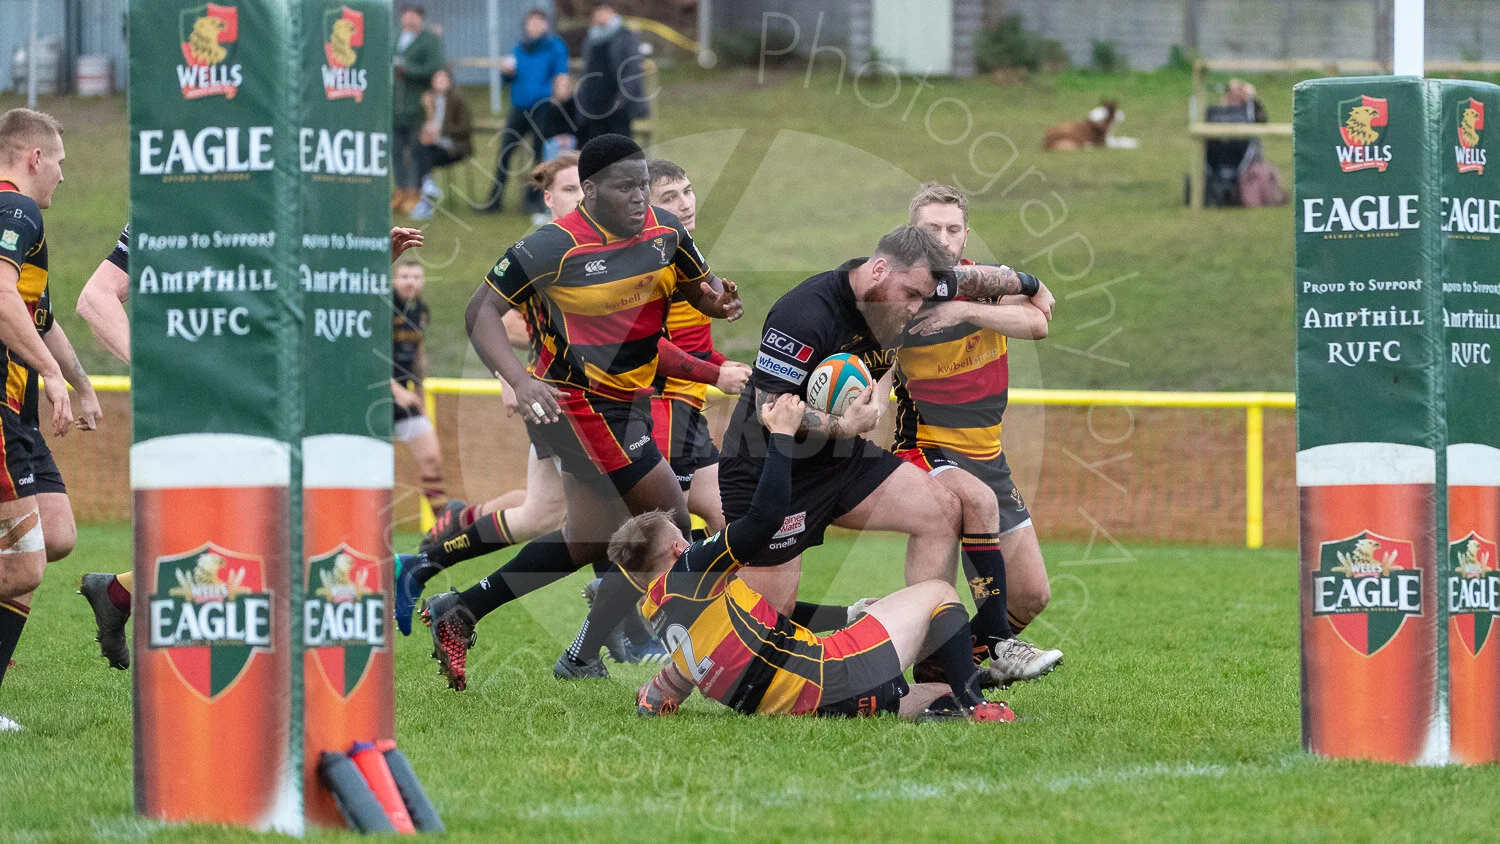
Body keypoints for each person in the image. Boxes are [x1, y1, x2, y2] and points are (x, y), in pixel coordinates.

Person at [411, 135, 742, 691]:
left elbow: (699, 290)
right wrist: (519, 379)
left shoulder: (666, 231)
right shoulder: (552, 246)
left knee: (588, 537)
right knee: (670, 522)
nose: (638, 197)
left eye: (643, 184)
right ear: (589, 190)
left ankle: (464, 610)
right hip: (579, 405)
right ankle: (695, 654)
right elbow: (480, 311)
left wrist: (720, 301)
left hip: (629, 401)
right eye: (624, 186)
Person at [74, 226, 425, 671]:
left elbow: (302, 298)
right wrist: (152, 369)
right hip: (210, 393)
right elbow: (95, 297)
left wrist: (367, 265)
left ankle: (119, 593)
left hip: (269, 386)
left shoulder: (273, 207)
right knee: (263, 516)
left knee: (257, 520)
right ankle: (383, 577)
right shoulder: (170, 211)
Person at [624, 393, 1013, 722]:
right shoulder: (691, 567)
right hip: (834, 674)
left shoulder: (661, 611)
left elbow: (769, 618)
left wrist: (847, 613)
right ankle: (977, 706)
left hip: (810, 705)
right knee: (939, 592)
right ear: (678, 549)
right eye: (685, 540)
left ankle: (948, 702)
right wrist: (781, 434)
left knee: (939, 693)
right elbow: (763, 520)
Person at [558, 158, 753, 670]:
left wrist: (726, 364)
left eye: (687, 191)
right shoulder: (644, 259)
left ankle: (685, 626)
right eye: (670, 197)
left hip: (688, 413)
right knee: (662, 536)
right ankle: (623, 628)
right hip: (660, 412)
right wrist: (714, 373)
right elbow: (647, 345)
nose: (684, 204)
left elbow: (690, 341)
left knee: (719, 521)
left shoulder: (684, 255)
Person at [896, 183, 1062, 684]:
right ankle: (972, 659)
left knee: (1031, 594)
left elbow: (1039, 321)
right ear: (911, 234)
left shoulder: (984, 282)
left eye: (953, 229)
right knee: (934, 599)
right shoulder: (901, 295)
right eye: (932, 229)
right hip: (927, 451)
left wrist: (966, 310)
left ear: (966, 235)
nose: (944, 239)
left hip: (988, 457)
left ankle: (944, 669)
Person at [0, 109, 105, 732]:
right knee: (24, 564)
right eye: (60, 161)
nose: (64, 175)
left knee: (56, 534)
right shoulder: (15, 208)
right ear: (34, 158)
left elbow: (38, 317)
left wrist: (81, 383)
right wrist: (49, 373)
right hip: (4, 405)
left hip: (18, 411)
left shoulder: (19, 222)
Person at [478, 7, 569, 215]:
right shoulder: (520, 47)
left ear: (546, 25)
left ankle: (534, 200)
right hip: (519, 107)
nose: (534, 26)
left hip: (542, 107)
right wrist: (506, 73)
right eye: (531, 22)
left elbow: (561, 75)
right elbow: (509, 78)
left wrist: (559, 101)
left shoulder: (555, 47)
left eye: (539, 22)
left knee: (539, 155)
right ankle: (494, 200)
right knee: (505, 152)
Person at [391, 260, 446, 510]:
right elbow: (365, 352)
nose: (410, 282)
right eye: (404, 276)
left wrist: (420, 395)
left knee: (432, 459)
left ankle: (441, 528)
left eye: (416, 277)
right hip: (373, 396)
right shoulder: (382, 307)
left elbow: (417, 356)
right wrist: (395, 390)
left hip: (404, 400)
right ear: (394, 280)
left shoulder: (421, 311)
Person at [393, 4, 443, 216]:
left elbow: (434, 67)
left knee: (415, 153)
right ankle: (400, 190)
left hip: (418, 108)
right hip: (395, 108)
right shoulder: (395, 39)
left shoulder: (429, 40)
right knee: (395, 152)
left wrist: (407, 70)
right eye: (406, 15)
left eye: (414, 16)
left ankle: (415, 193)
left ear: (421, 19)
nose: (409, 20)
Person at [575, 3, 646, 145]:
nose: (600, 15)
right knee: (595, 146)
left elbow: (632, 69)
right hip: (593, 103)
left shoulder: (625, 36)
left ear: (612, 12)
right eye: (597, 12)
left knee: (619, 147)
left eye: (603, 11)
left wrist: (623, 97)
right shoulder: (590, 39)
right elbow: (586, 69)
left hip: (618, 103)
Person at [410, 67, 474, 221]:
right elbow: (420, 123)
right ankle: (427, 188)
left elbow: (465, 127)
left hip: (454, 148)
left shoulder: (457, 100)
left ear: (449, 82)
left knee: (423, 155)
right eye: (437, 80)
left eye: (443, 80)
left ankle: (425, 200)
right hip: (432, 146)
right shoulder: (428, 99)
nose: (440, 83)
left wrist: (441, 131)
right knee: (421, 150)